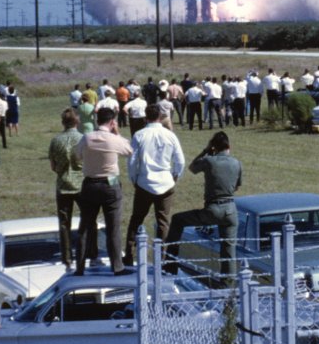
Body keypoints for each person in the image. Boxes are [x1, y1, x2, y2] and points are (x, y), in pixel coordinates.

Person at [170, 131, 242, 285]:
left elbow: (192, 167)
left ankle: (169, 265)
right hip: (230, 210)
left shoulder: (209, 161)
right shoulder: (236, 163)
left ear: (214, 147)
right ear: (229, 146)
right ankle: (228, 284)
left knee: (177, 220)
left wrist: (205, 151)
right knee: (229, 251)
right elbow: (236, 187)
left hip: (213, 208)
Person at [124, 104, 185, 267]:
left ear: (146, 117)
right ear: (160, 116)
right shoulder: (170, 135)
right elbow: (180, 160)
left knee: (136, 219)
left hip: (145, 182)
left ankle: (129, 253)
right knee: (163, 222)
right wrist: (175, 176)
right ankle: (162, 257)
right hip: (165, 182)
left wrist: (134, 178)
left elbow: (132, 161)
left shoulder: (139, 134)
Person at [75, 106, 132, 274]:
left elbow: (77, 155)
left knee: (85, 227)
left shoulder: (86, 138)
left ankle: (79, 267)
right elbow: (129, 151)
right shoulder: (113, 139)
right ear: (112, 122)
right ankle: (117, 266)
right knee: (113, 228)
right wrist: (117, 133)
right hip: (110, 185)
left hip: (90, 184)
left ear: (96, 120)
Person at [48, 108, 84, 270]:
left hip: (63, 184)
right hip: (82, 184)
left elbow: (53, 166)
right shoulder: (84, 139)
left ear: (63, 122)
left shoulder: (56, 141)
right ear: (77, 121)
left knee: (64, 223)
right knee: (87, 220)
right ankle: (86, 253)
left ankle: (67, 257)